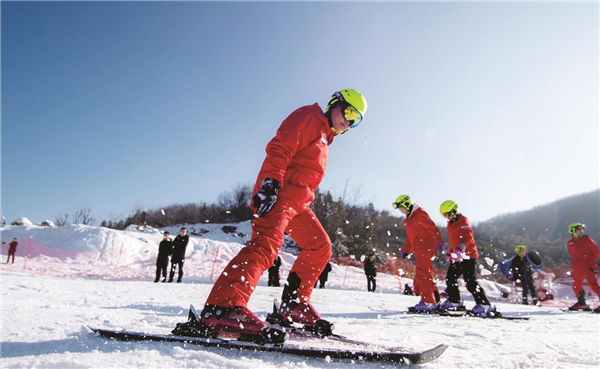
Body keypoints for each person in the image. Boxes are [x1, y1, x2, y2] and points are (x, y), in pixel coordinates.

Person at [197, 89, 368, 343]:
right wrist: (270, 184)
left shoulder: (325, 138)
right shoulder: (309, 117)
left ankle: (293, 304)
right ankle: (223, 309)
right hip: (279, 195)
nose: (349, 122)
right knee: (266, 245)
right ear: (336, 103)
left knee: (320, 246)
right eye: (349, 112)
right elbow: (281, 148)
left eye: (356, 121)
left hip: (298, 205)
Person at [437, 200, 493, 316]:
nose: (446, 217)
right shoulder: (450, 223)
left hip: (468, 255)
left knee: (470, 281)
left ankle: (484, 304)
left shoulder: (463, 221)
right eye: (444, 215)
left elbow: (468, 238)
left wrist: (460, 249)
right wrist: (451, 250)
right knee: (450, 278)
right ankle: (454, 302)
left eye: (447, 214)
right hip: (457, 256)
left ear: (454, 210)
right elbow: (454, 240)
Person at [395, 195, 445, 312]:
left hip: (426, 248)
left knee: (423, 274)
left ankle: (427, 302)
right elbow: (410, 238)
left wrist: (439, 241)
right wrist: (406, 250)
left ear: (407, 204)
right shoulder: (408, 220)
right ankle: (435, 300)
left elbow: (432, 228)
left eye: (401, 208)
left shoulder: (420, 213)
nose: (400, 211)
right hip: (420, 250)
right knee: (427, 275)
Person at [566, 223, 600, 312]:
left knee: (594, 285)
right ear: (572, 231)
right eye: (578, 229)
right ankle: (581, 303)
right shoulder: (570, 243)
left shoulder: (587, 240)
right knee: (577, 285)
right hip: (577, 267)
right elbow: (572, 254)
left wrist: (590, 262)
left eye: (581, 230)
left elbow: (596, 253)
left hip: (587, 266)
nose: (581, 231)